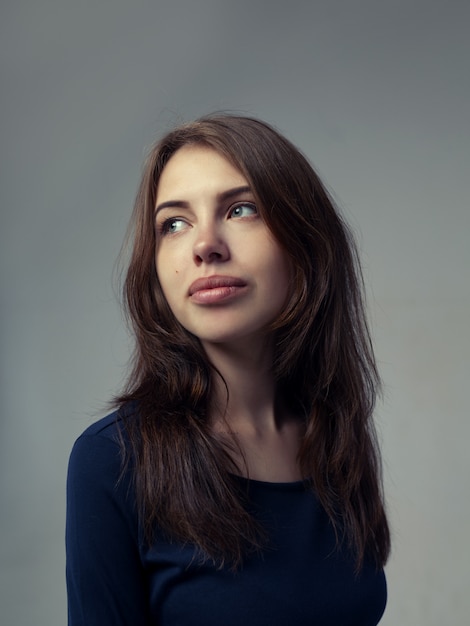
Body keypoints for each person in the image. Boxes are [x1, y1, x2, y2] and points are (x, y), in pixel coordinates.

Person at [66, 114, 390, 626]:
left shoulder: (334, 435)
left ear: (305, 242)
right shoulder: (113, 461)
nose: (204, 245)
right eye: (174, 223)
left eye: (241, 210)